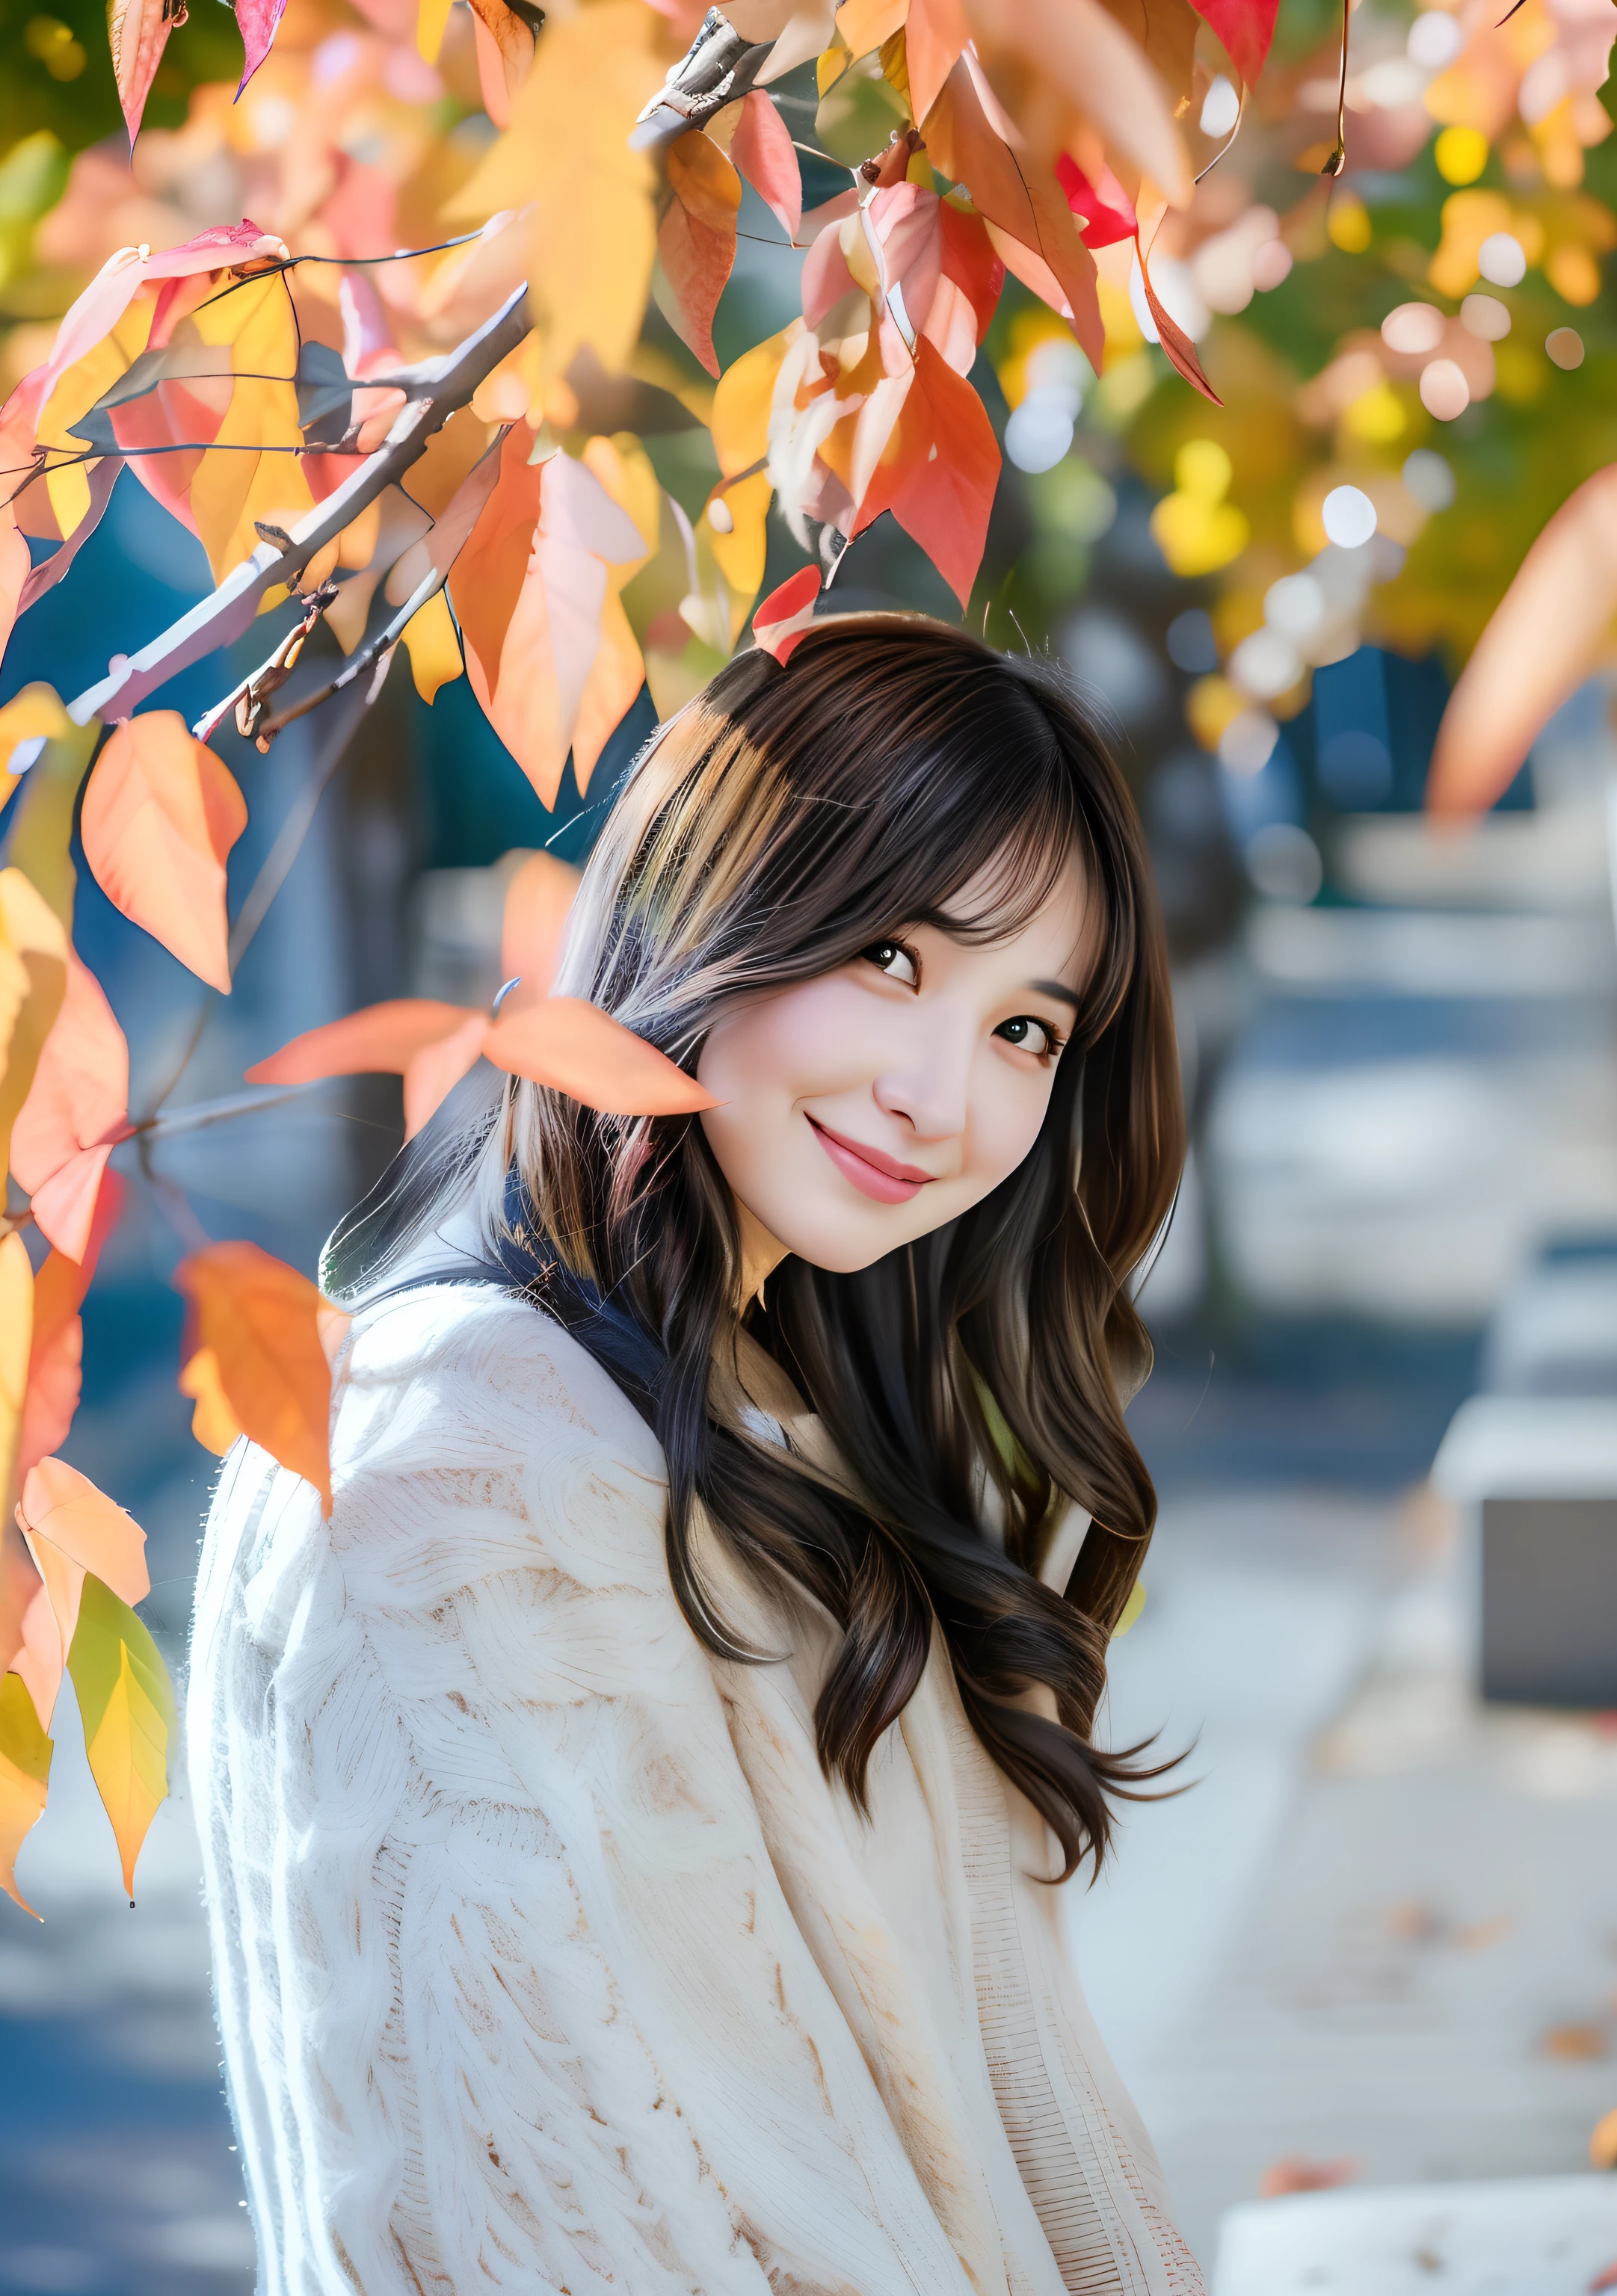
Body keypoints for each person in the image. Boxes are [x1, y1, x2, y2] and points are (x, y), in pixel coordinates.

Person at [189, 613, 1204, 2295]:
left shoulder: (789, 1410)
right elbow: (567, 2225)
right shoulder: (456, 1477)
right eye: (893, 958)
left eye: (1029, 1027)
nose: (944, 1096)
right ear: (715, 910)